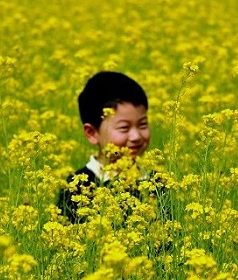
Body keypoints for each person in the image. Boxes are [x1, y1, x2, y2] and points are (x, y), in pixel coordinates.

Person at [57, 71, 166, 224]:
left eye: (142, 124)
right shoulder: (78, 185)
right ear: (92, 133)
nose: (136, 136)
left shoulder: (158, 182)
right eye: (124, 128)